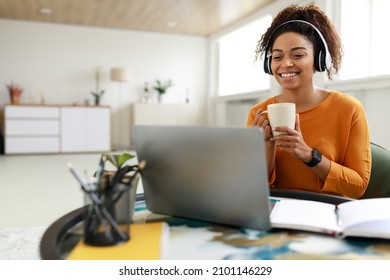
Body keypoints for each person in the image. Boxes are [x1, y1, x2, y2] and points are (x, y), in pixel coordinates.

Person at [247, 4, 371, 198]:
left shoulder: (348, 109)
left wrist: (307, 154)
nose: (286, 64)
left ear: (320, 59)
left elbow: (358, 187)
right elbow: (250, 188)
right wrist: (266, 146)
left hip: (325, 211)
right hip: (274, 211)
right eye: (277, 56)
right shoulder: (259, 113)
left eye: (298, 55)